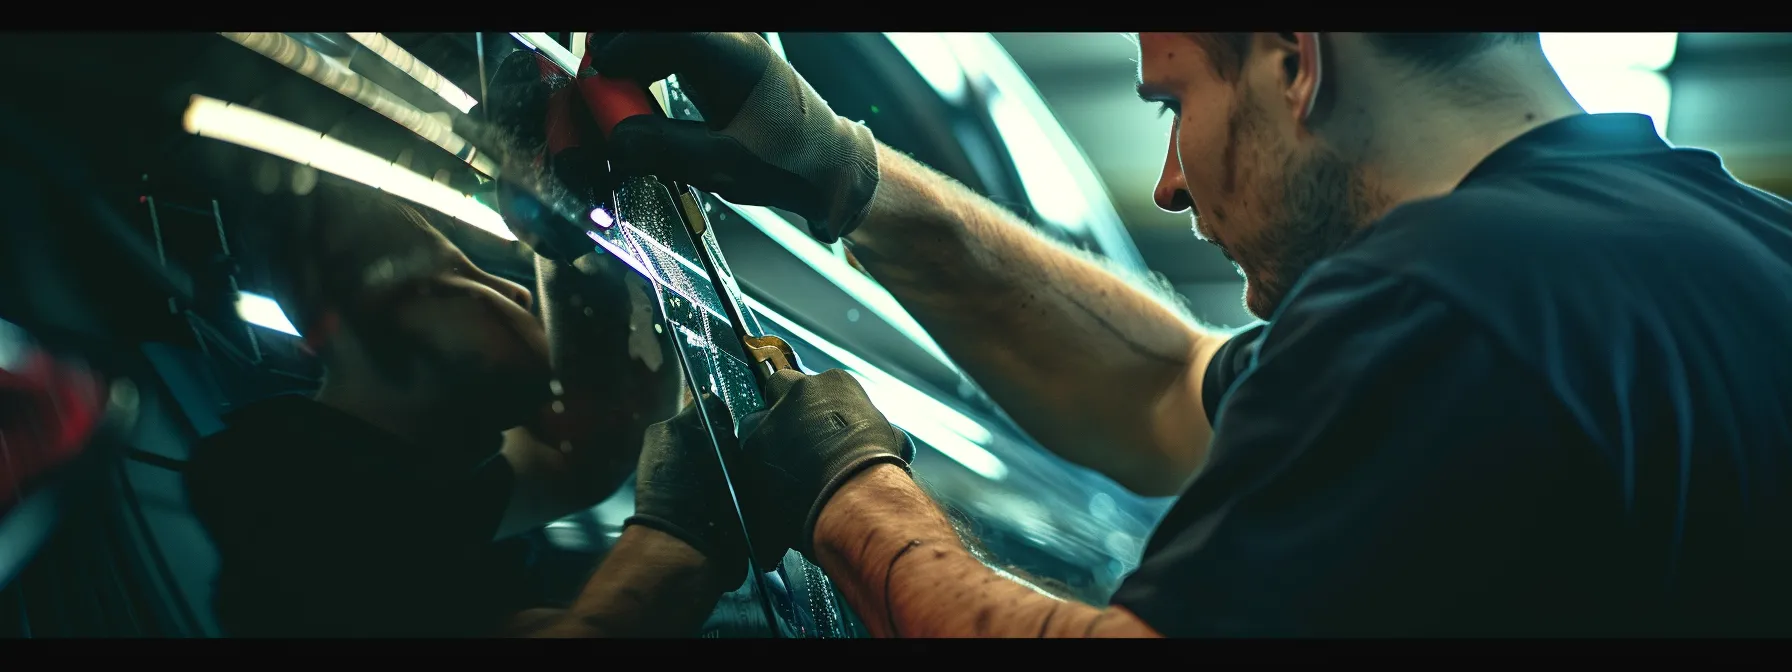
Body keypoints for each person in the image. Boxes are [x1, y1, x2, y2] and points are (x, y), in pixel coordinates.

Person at [588, 32, 1792, 636]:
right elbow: (1165, 389)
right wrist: (841, 173)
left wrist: (841, 487)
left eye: (1174, 104)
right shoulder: (1721, 251)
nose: (1167, 185)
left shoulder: (1439, 304)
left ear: (1292, 57)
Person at [183, 184, 746, 637]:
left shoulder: (401, 488)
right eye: (452, 277)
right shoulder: (289, 512)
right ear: (360, 320)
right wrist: (691, 523)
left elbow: (582, 453)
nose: (518, 292)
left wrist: (593, 227)